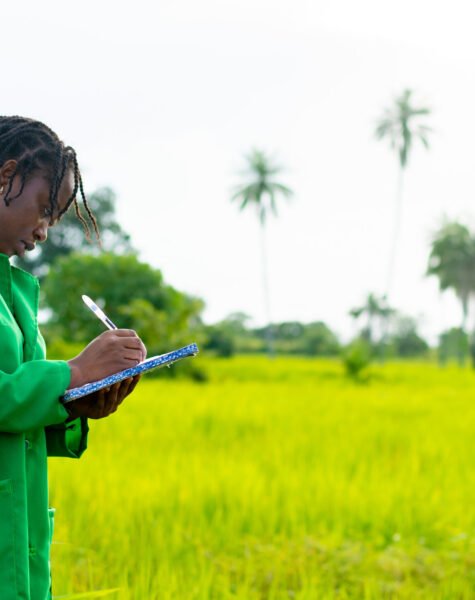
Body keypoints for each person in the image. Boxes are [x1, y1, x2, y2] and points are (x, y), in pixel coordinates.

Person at [0, 116, 147, 600]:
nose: (44, 230)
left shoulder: (15, 295)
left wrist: (74, 402)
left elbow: (17, 410)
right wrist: (73, 373)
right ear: (5, 176)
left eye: (54, 217)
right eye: (43, 209)